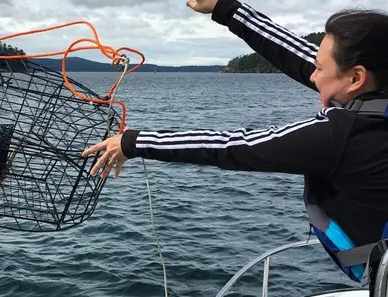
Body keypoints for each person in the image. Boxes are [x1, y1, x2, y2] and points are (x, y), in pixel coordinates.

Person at [82, 0, 388, 294]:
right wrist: (225, 8)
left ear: (356, 78)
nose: (311, 74)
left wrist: (133, 141)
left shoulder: (344, 136)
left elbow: (231, 146)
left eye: (320, 69)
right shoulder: (377, 88)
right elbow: (300, 55)